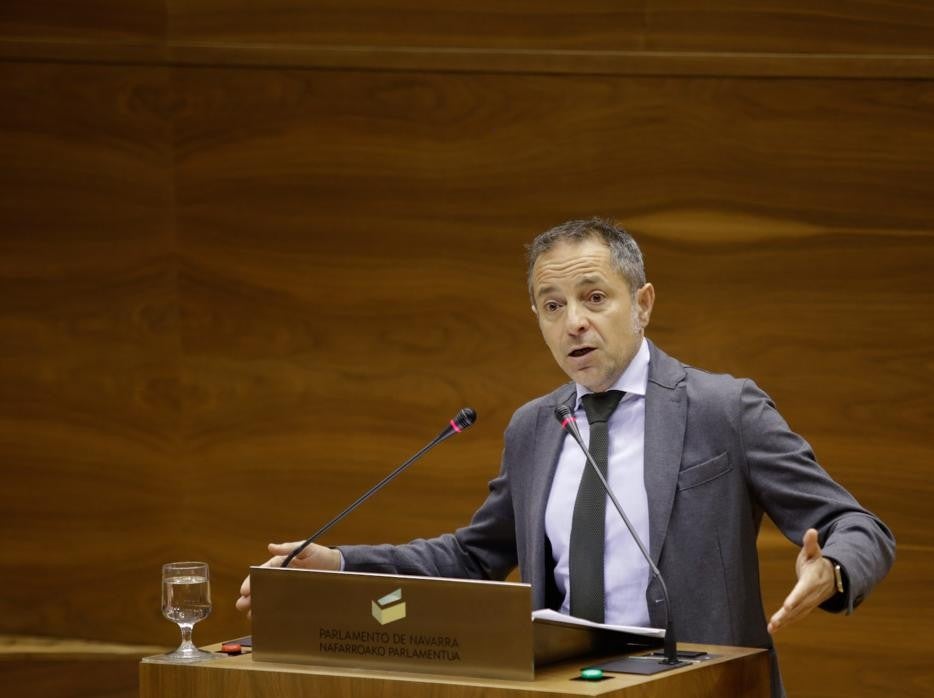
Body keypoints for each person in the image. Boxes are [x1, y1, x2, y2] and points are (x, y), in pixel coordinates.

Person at [237, 217, 895, 696]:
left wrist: (834, 569)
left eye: (593, 298)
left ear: (642, 305)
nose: (573, 321)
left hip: (700, 688)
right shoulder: (536, 428)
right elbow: (475, 556)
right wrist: (344, 564)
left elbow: (859, 526)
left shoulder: (724, 410)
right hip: (567, 687)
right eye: (553, 306)